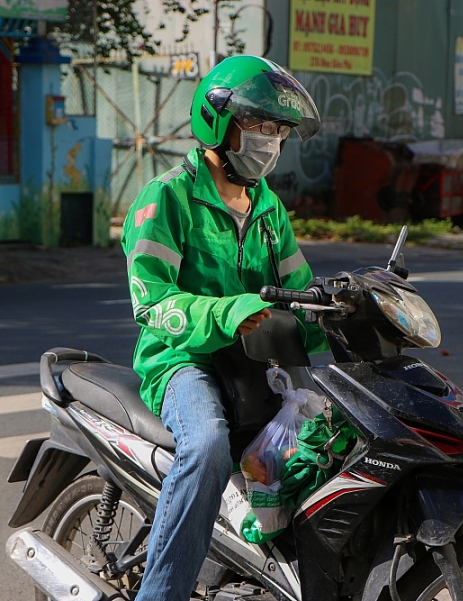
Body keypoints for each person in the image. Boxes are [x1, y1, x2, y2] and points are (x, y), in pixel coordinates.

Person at [120, 55, 328, 601]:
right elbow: (152, 301)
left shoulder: (268, 208)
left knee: (332, 439)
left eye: (278, 130)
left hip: (257, 363)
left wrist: (342, 312)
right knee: (209, 444)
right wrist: (228, 311)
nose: (270, 141)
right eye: (259, 126)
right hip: (182, 362)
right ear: (218, 121)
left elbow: (299, 290)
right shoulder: (167, 197)